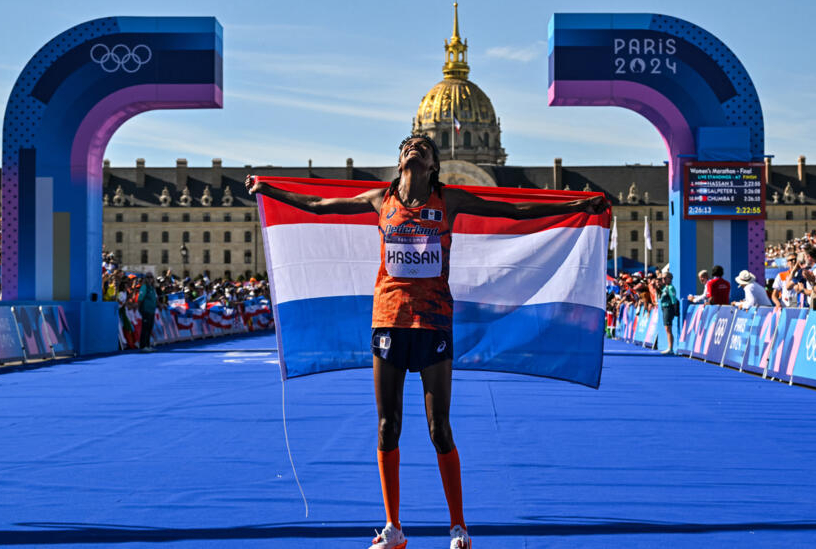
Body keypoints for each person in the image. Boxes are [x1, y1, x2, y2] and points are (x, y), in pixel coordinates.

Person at [245, 134, 608, 549]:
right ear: (400, 160)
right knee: (387, 426)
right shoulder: (379, 199)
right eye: (407, 146)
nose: (414, 148)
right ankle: (393, 529)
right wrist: (270, 189)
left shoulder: (448, 201)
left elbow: (513, 210)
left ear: (434, 164)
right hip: (388, 320)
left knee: (439, 428)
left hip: (434, 321)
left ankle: (458, 527)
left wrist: (577, 205)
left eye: (424, 147)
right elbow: (317, 205)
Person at [657, 272, 679, 354]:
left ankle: (670, 348)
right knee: (667, 328)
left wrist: (675, 310)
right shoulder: (664, 288)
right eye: (662, 278)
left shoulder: (670, 288)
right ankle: (669, 347)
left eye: (665, 278)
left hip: (668, 308)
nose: (663, 280)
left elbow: (673, 300)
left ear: (669, 279)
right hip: (664, 308)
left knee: (668, 328)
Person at [138, 272, 158, 352]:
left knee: (149, 328)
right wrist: (140, 309)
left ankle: (148, 345)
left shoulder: (152, 288)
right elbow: (140, 299)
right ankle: (143, 346)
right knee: (145, 328)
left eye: (151, 277)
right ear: (145, 278)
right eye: (148, 277)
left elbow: (155, 299)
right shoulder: (144, 287)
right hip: (146, 310)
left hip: (152, 311)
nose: (149, 279)